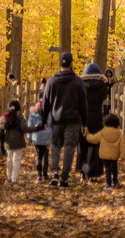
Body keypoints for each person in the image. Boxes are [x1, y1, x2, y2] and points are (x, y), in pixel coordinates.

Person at [41, 51, 88, 188]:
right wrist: (85, 123)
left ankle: (55, 172)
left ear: (59, 63)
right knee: (69, 147)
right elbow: (83, 104)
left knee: (55, 146)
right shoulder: (78, 82)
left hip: (56, 119)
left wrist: (44, 120)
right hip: (73, 120)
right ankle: (64, 179)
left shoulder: (51, 80)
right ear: (71, 64)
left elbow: (45, 103)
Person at [78, 62, 107, 181]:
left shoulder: (80, 84)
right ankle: (94, 172)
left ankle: (82, 170)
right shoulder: (102, 85)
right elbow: (104, 97)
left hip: (82, 116)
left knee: (82, 143)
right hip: (97, 116)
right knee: (95, 144)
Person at [86, 113, 125, 190]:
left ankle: (108, 183)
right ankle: (115, 181)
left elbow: (94, 139)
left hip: (104, 155)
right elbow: (122, 145)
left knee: (107, 169)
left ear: (105, 123)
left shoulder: (103, 132)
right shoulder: (119, 134)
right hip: (115, 155)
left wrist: (87, 136)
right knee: (114, 168)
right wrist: (123, 156)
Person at [0, 99, 28, 185]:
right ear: (18, 109)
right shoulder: (20, 118)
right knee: (16, 160)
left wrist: (1, 145)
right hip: (18, 142)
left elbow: (1, 130)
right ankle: (14, 179)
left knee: (9, 160)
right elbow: (24, 128)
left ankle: (8, 177)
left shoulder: (5, 118)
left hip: (8, 143)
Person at [26, 100, 52, 182]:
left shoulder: (32, 114)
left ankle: (39, 175)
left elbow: (29, 127)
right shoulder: (49, 112)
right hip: (47, 137)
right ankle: (45, 174)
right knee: (46, 155)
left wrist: (29, 139)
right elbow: (51, 124)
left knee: (38, 156)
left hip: (37, 137)